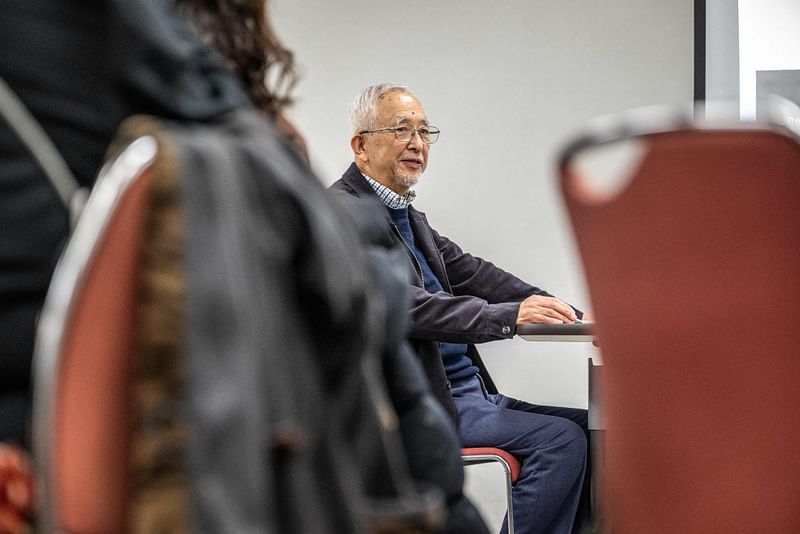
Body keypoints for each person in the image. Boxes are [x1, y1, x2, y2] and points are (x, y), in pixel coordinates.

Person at [330, 83, 591, 534]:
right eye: (401, 130)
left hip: (471, 396)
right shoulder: (341, 214)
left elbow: (476, 274)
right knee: (560, 442)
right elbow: (413, 309)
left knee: (594, 432)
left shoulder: (410, 219)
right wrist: (509, 318)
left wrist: (562, 310)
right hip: (427, 406)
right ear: (361, 146)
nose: (416, 143)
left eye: (425, 132)